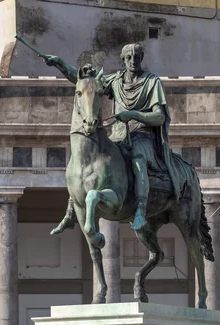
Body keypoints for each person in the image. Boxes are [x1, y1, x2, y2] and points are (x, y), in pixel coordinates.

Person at [45, 42, 187, 232]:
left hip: (142, 135)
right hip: (118, 135)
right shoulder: (116, 80)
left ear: (141, 58)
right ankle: (72, 209)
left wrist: (134, 115)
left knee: (138, 160)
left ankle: (140, 211)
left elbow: (159, 116)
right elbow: (85, 83)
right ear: (123, 60)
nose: (133, 61)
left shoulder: (152, 82)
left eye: (136, 57)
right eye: (128, 57)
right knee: (90, 163)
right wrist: (60, 64)